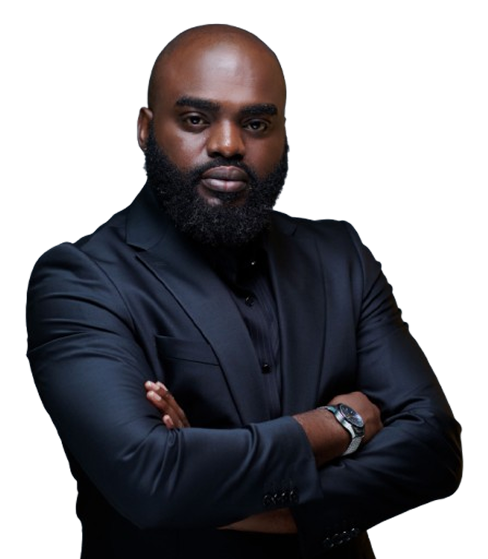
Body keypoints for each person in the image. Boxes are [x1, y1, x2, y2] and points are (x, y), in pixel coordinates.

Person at [26, 24, 462, 559]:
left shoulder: (341, 256)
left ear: (283, 134)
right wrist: (341, 425)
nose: (229, 145)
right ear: (144, 129)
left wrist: (245, 498)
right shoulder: (79, 279)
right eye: (195, 119)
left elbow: (434, 448)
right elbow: (153, 479)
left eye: (256, 123)